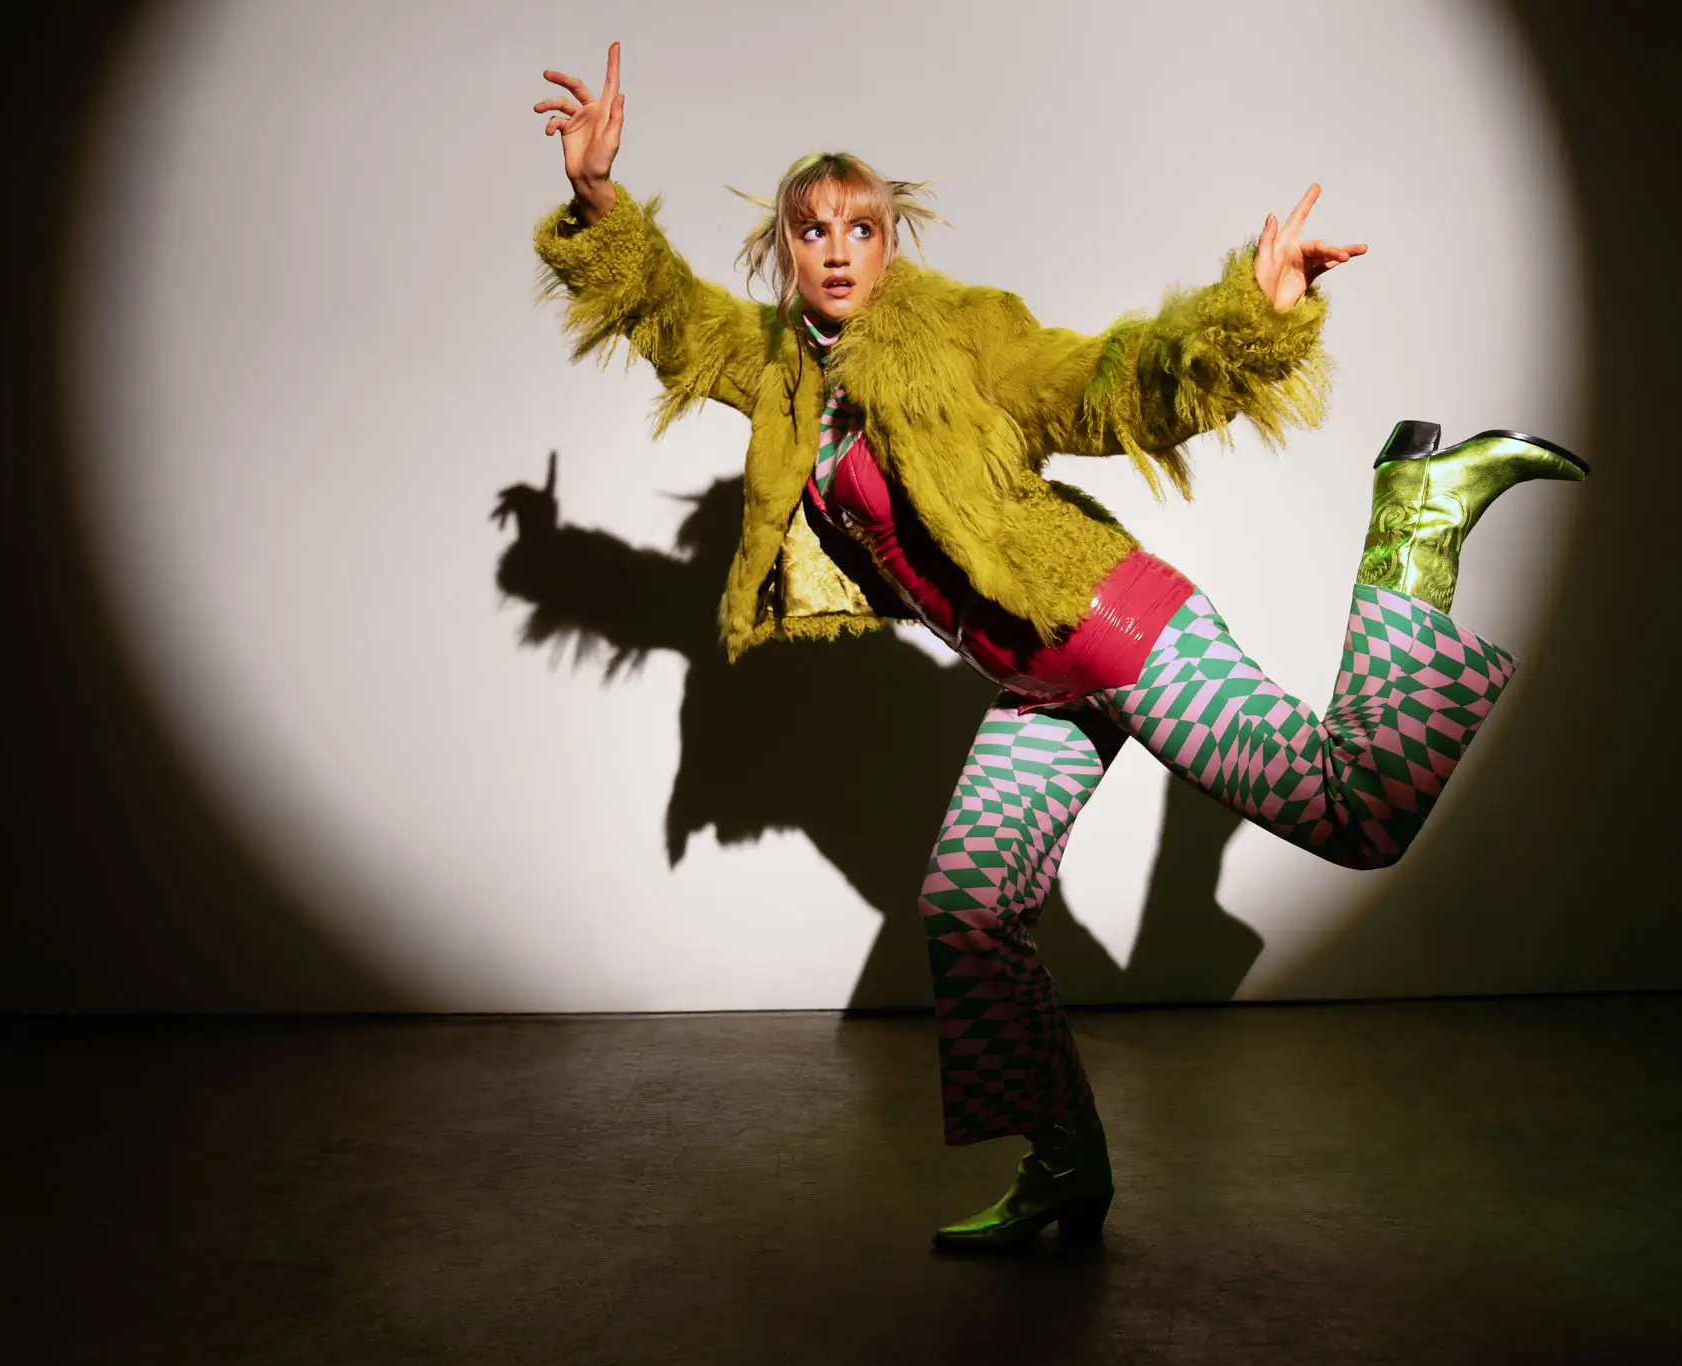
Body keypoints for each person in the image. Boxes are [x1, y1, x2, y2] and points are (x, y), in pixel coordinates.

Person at [530, 42, 1586, 1254]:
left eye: (861, 228)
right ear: (784, 252)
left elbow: (1102, 386)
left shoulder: (965, 336)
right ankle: (1064, 1166)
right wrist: (601, 198)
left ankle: (1418, 511)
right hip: (1035, 686)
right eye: (812, 229)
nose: (835, 249)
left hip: (1119, 629)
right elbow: (667, 317)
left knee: (1360, 818)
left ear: (890, 245)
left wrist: (1248, 315)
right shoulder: (777, 374)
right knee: (970, 911)